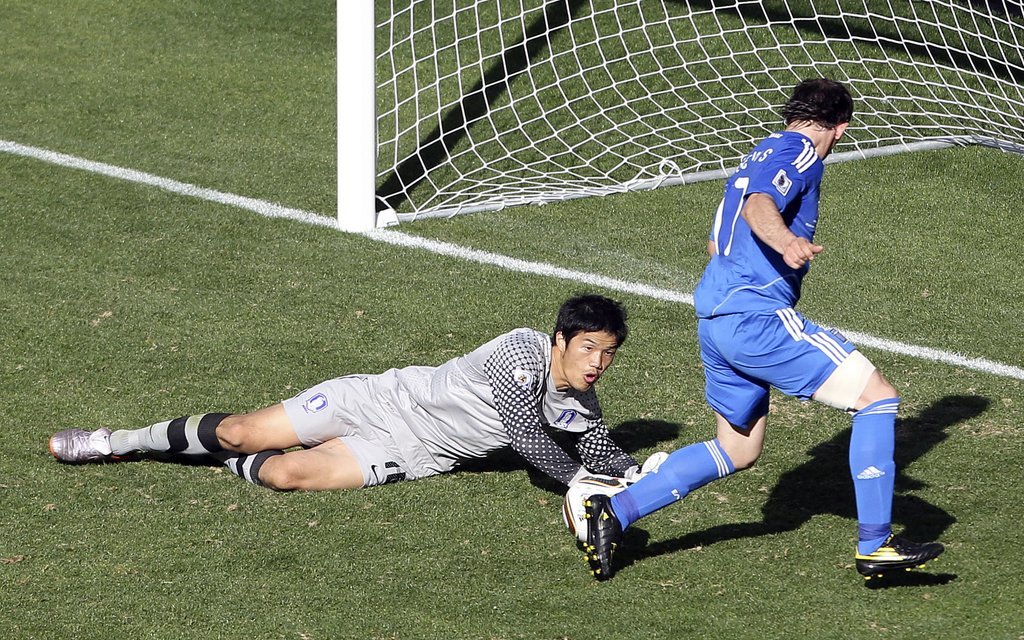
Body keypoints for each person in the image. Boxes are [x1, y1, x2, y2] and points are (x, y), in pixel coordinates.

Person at [578, 78, 944, 581]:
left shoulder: (756, 155)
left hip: (716, 318)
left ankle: (614, 511)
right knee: (876, 398)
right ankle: (876, 544)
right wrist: (787, 242)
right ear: (840, 128)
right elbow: (758, 207)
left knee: (738, 448)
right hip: (756, 318)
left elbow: (716, 242)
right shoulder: (801, 152)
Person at [50, 294, 652, 493]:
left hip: (413, 451)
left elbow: (598, 445)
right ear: (560, 339)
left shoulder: (581, 403)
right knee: (238, 431)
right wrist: (581, 482)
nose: (597, 363)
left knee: (282, 475)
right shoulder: (519, 350)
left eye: (607, 353)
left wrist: (638, 473)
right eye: (588, 348)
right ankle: (116, 441)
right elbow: (523, 433)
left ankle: (214, 458)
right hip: (380, 400)